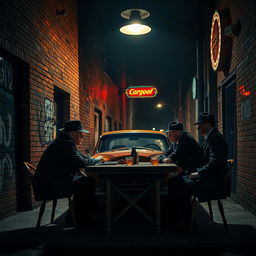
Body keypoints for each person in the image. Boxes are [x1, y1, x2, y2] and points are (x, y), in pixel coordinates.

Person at [35, 120, 103, 228]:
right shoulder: (66, 144)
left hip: (49, 182)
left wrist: (92, 159)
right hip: (51, 186)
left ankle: (74, 216)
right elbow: (81, 161)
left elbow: (81, 157)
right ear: (72, 134)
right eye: (80, 134)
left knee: (85, 182)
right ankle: (82, 219)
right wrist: (97, 160)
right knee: (87, 182)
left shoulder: (63, 141)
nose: (82, 137)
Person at [158, 121, 200, 230]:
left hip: (196, 174)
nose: (168, 135)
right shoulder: (176, 141)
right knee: (173, 182)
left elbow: (175, 156)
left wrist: (168, 159)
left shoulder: (185, 140)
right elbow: (165, 154)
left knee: (179, 185)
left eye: (170, 133)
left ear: (178, 132)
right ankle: (173, 218)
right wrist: (163, 158)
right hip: (186, 171)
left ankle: (188, 222)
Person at [185, 112, 228, 202]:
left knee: (179, 184)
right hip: (209, 177)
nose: (198, 128)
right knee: (180, 180)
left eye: (200, 125)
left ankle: (184, 214)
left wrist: (198, 173)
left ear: (207, 124)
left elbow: (215, 163)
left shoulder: (216, 138)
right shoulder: (210, 137)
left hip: (213, 181)